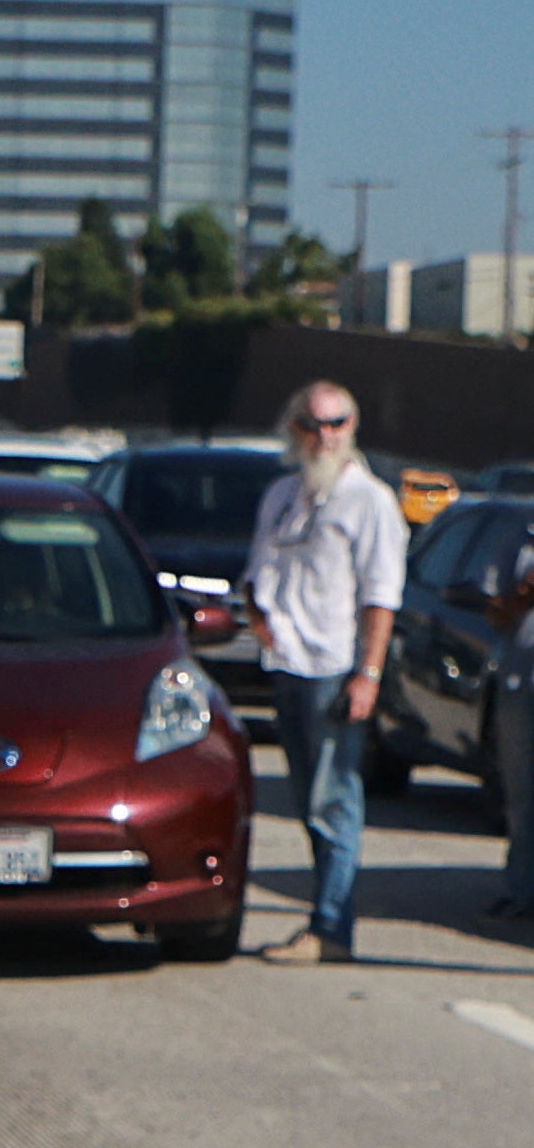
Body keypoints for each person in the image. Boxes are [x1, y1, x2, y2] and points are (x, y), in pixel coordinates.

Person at [244, 383, 406, 966]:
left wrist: (369, 673)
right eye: (315, 425)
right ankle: (324, 918)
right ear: (295, 429)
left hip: (335, 669)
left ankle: (332, 929)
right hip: (287, 665)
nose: (326, 435)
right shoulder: (285, 495)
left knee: (334, 801)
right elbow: (259, 572)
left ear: (353, 427)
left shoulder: (369, 500)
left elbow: (381, 597)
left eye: (337, 423)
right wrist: (258, 618)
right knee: (307, 802)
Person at [488, 519, 534, 930]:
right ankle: (520, 890)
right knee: (521, 794)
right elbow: (495, 615)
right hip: (521, 685)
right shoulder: (517, 538)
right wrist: (521, 596)